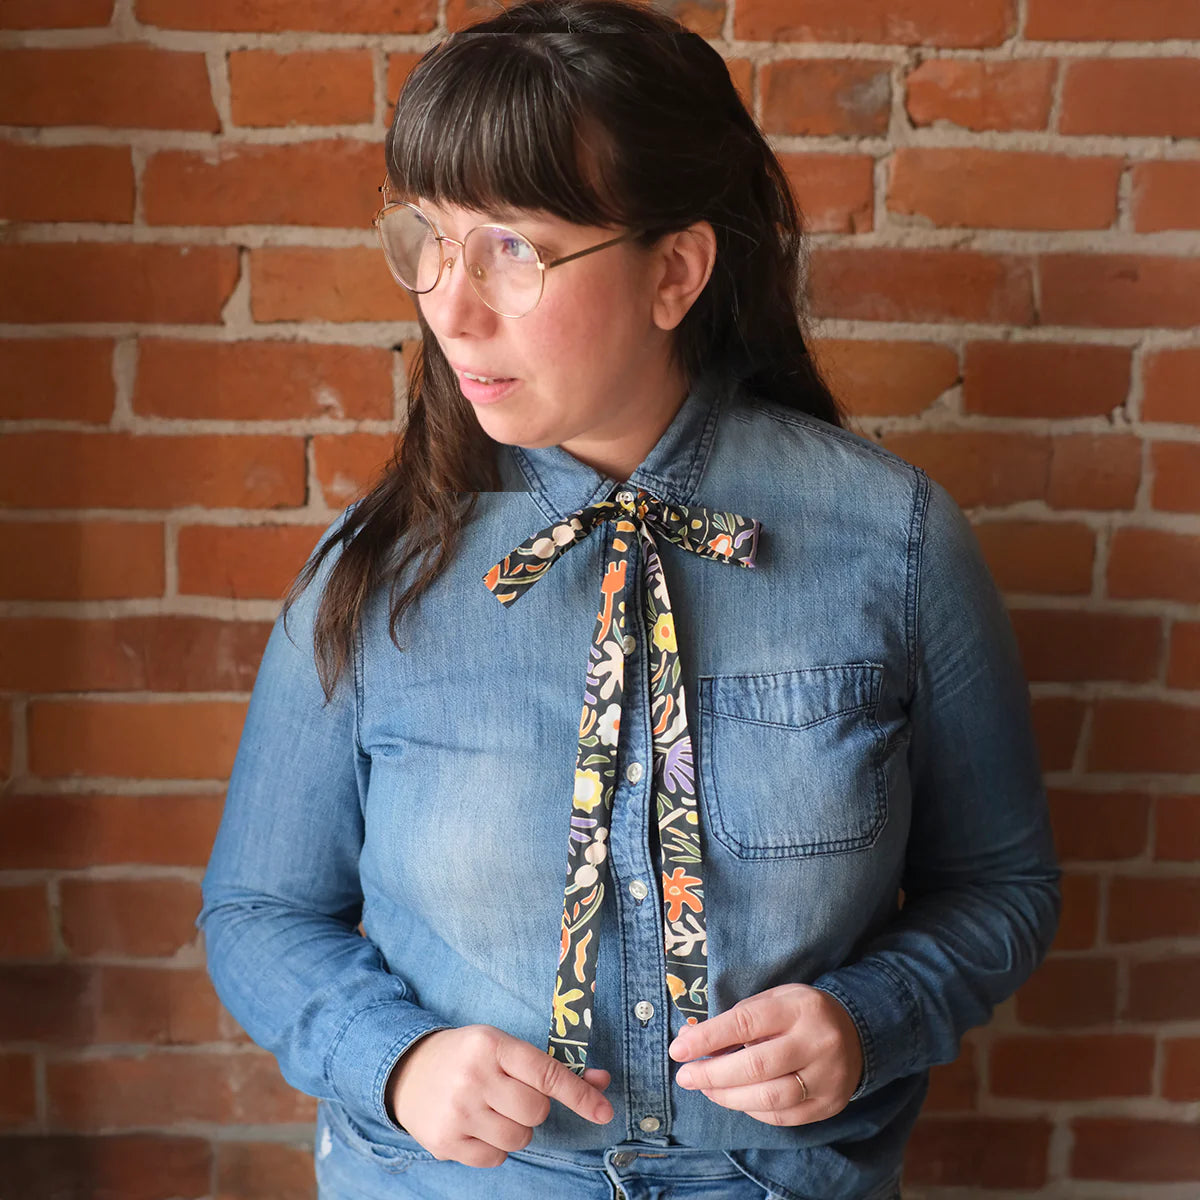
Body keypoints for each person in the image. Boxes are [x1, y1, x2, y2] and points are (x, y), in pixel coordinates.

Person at [195, 1, 1062, 1197]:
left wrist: (871, 1019)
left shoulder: (893, 544)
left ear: (676, 273)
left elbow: (1003, 887)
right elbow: (255, 909)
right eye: (427, 239)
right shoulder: (379, 571)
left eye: (514, 248)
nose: (450, 305)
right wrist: (394, 1061)